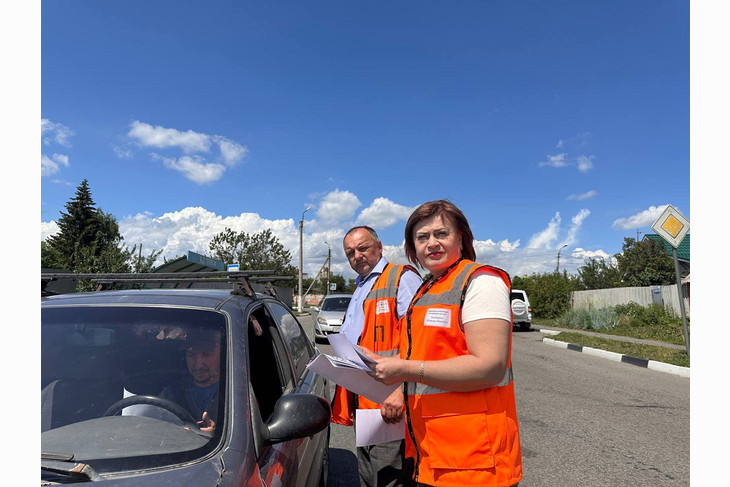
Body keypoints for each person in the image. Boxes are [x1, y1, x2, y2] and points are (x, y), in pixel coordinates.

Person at [365, 200, 523, 487]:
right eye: (422, 237)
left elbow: (489, 367)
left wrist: (406, 370)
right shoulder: (428, 288)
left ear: (461, 238)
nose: (432, 243)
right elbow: (425, 354)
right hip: (435, 454)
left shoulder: (481, 282)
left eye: (441, 234)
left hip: (475, 462)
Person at [331, 225, 424, 487]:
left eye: (363, 248)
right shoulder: (362, 285)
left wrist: (399, 391)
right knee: (369, 474)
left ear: (379, 247)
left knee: (388, 476)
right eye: (350, 252)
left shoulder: (400, 278)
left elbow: (419, 340)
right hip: (365, 400)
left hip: (389, 402)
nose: (357, 256)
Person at [158, 327, 222, 434]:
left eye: (206, 355)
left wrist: (218, 435)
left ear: (222, 353)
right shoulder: (173, 392)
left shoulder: (235, 391)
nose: (198, 364)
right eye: (191, 355)